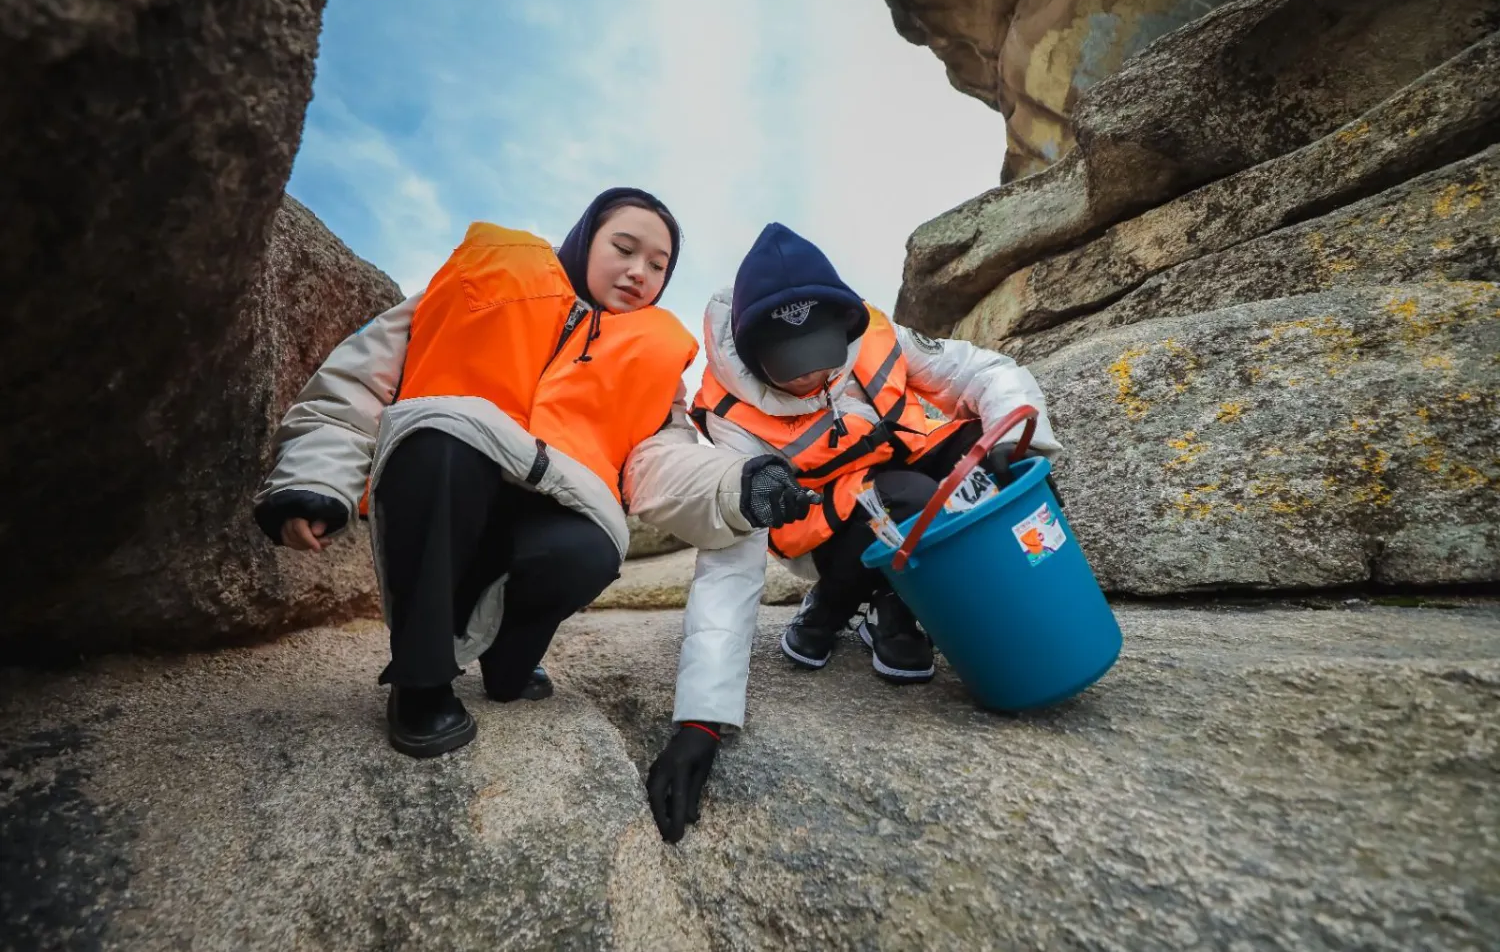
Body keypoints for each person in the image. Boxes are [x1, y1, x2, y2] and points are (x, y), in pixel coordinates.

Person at [252, 188, 814, 760]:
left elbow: (664, 456)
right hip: (441, 493)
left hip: (545, 511)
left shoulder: (655, 362)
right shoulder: (479, 284)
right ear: (585, 238)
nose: (638, 271)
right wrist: (316, 481)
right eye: (623, 248)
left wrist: (737, 485)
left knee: (594, 547)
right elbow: (355, 386)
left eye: (657, 265)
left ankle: (509, 658)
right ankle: (420, 681)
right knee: (442, 436)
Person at [629, 222, 1061, 843]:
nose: (814, 376)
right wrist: (701, 721)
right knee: (900, 499)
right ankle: (830, 611)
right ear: (754, 358)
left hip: (905, 481)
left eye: (827, 351)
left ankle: (972, 613)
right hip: (831, 531)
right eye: (790, 366)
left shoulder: (877, 335)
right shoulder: (730, 414)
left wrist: (1016, 434)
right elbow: (730, 562)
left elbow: (977, 372)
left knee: (982, 452)